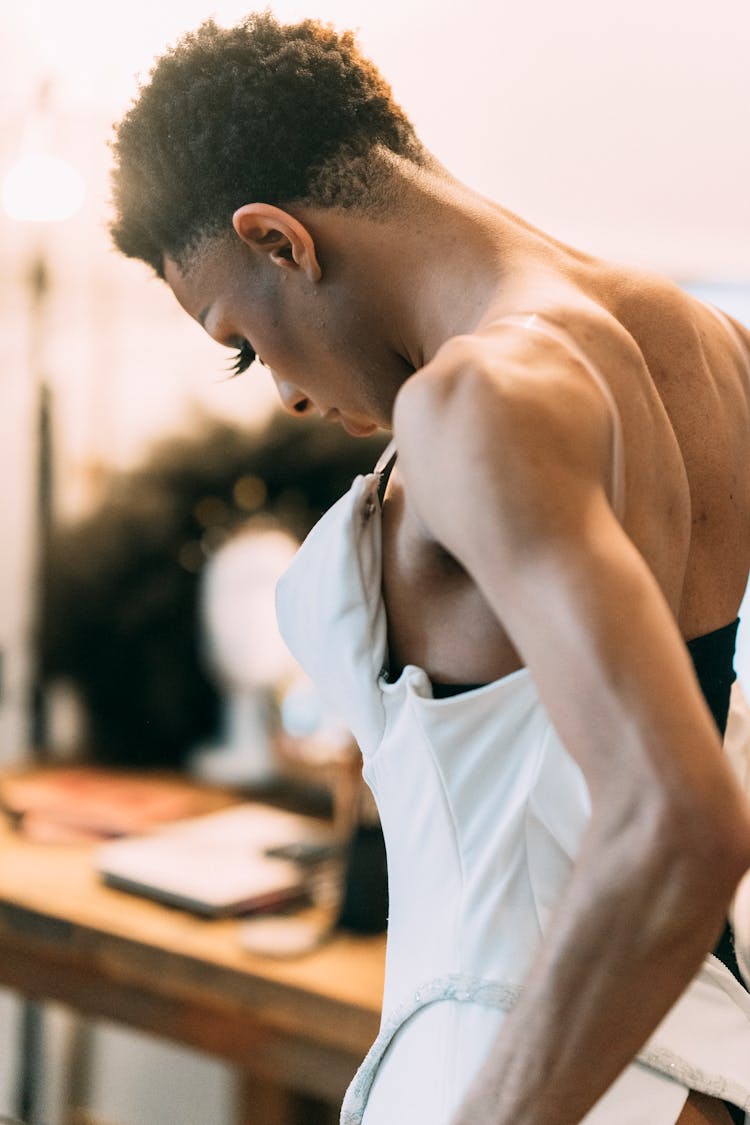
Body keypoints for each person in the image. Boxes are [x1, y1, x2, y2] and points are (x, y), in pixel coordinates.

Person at [108, 13, 750, 1124]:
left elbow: (678, 820)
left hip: (512, 1076)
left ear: (278, 239)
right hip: (705, 1068)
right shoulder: (707, 346)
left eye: (242, 344)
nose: (289, 398)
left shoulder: (474, 401)